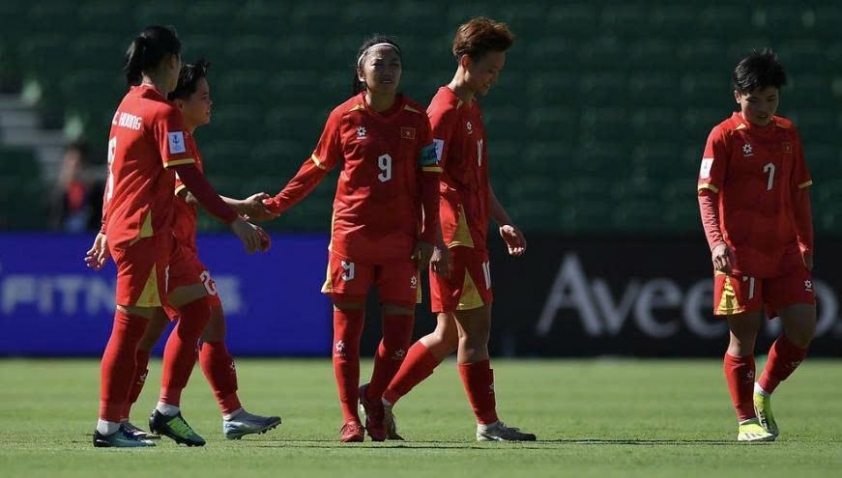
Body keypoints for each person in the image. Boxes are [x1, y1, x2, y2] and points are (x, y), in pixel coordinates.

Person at [84, 26, 266, 448]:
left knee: (195, 307)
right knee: (131, 329)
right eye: (179, 60)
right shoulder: (162, 113)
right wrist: (235, 220)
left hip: (131, 228)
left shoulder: (127, 105)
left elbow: (116, 175)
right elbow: (191, 181)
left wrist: (106, 226)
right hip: (145, 231)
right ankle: (109, 426)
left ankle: (157, 412)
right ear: (171, 62)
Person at [262, 35, 442, 443]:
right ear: (361, 73)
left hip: (401, 242)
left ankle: (373, 396)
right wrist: (276, 205)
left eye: (395, 62)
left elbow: (431, 182)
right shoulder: (343, 117)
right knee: (347, 334)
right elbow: (314, 169)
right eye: (379, 62)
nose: (388, 69)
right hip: (351, 238)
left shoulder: (417, 118)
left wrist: (428, 234)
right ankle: (349, 418)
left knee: (399, 336)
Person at [374, 17, 536, 442]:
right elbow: (423, 179)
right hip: (455, 235)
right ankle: (488, 424)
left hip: (472, 231)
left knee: (447, 335)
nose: (494, 78)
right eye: (489, 69)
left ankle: (380, 400)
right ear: (466, 62)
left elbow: (477, 179)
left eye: (498, 70)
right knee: (476, 332)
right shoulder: (443, 111)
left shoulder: (470, 108)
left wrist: (503, 221)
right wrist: (435, 240)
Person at [697, 49, 815, 442]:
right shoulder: (723, 136)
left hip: (785, 251)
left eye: (771, 99)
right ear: (737, 96)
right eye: (754, 100)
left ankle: (763, 390)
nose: (763, 108)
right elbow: (706, 194)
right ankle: (746, 419)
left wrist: (805, 242)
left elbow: (800, 193)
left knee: (803, 330)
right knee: (743, 338)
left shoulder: (788, 134)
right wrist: (716, 243)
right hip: (740, 254)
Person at [49, 140, 104, 232]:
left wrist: (91, 191)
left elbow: (100, 217)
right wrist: (61, 190)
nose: (74, 169)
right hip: (61, 235)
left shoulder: (96, 190)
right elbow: (52, 215)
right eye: (70, 163)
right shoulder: (57, 190)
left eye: (78, 164)